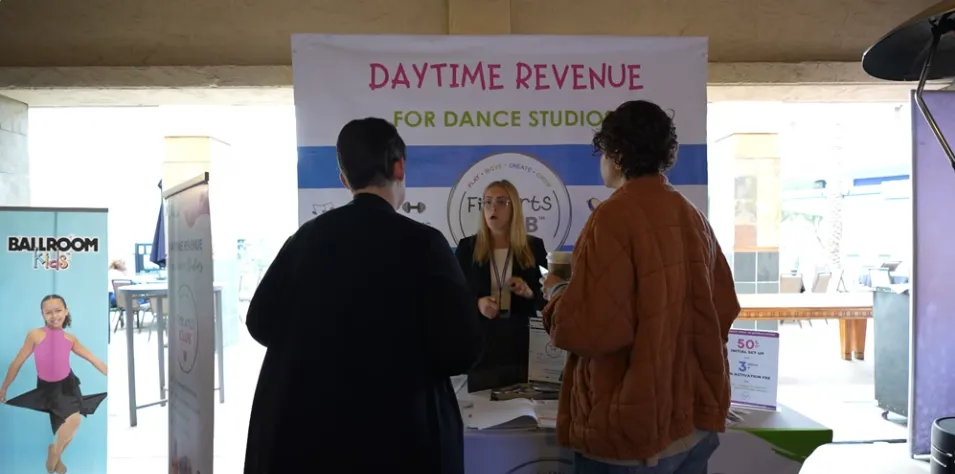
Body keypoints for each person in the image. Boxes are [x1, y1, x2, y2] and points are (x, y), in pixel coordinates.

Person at [243, 117, 484, 474]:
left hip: (305, 438)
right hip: (402, 441)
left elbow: (259, 322)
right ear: (399, 166)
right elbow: (460, 351)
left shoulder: (305, 240)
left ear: (345, 179)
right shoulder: (425, 245)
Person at [540, 100, 741, 474]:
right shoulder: (691, 215)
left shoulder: (613, 216)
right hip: (690, 424)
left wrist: (556, 293)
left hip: (629, 434)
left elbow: (589, 331)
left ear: (615, 154)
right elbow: (723, 310)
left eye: (602, 152)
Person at [454, 180, 547, 392]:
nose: (492, 208)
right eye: (487, 202)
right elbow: (454, 297)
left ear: (513, 207)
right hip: (482, 347)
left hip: (521, 345)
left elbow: (549, 297)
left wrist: (529, 292)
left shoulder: (534, 247)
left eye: (500, 202)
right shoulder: (467, 247)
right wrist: (478, 304)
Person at [0, 294, 109, 474]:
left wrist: (110, 373)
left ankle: (55, 452)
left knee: (74, 421)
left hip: (68, 385)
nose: (54, 316)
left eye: (58, 311)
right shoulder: (35, 335)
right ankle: (55, 453)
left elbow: (92, 358)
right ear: (42, 314)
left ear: (66, 311)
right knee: (69, 423)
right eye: (48, 312)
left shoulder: (70, 339)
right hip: (48, 387)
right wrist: (4, 387)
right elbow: (17, 362)